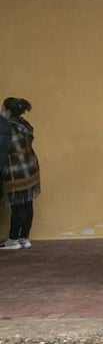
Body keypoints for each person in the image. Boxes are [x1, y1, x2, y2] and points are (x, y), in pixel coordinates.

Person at [1, 98, 39, 251]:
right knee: (27, 204)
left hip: (15, 170)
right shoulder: (25, 125)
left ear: (8, 111)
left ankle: (13, 239)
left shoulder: (7, 127)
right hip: (30, 168)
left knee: (17, 206)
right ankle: (24, 237)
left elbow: (4, 148)